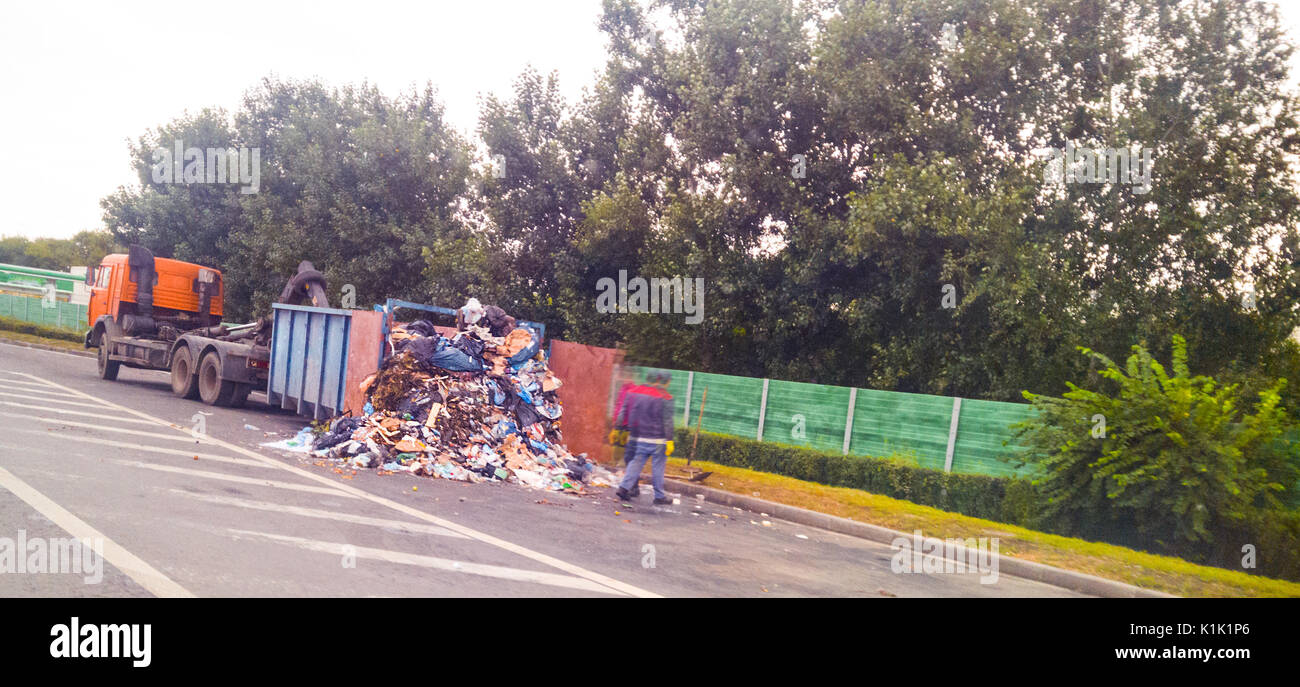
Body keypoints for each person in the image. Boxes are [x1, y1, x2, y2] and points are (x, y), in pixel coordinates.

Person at [615, 371, 675, 504]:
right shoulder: (665, 397)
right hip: (659, 439)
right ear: (667, 381)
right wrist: (670, 440)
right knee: (658, 467)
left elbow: (630, 412)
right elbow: (668, 421)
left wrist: (623, 430)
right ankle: (659, 496)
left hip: (641, 436)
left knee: (636, 463)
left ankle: (623, 488)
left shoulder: (638, 394)